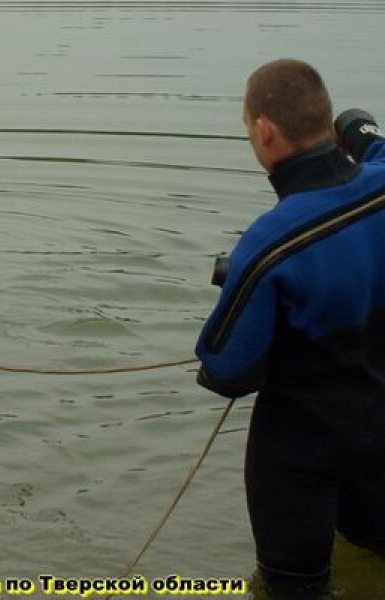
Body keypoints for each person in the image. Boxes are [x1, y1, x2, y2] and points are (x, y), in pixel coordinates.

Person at [195, 59, 385, 593]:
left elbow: (226, 369)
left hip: (303, 450)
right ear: (327, 125)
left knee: (292, 587)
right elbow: (368, 137)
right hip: (378, 425)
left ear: (263, 131)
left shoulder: (269, 245)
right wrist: (357, 125)